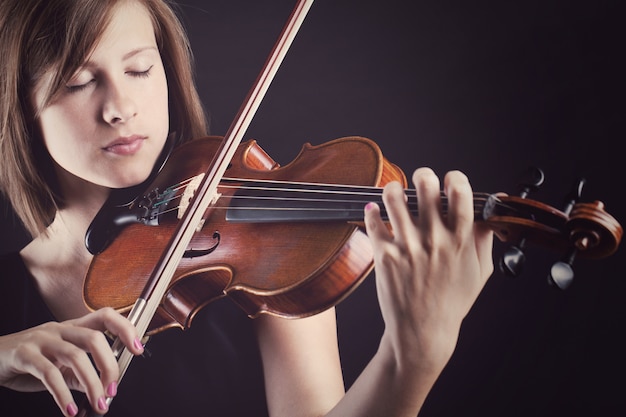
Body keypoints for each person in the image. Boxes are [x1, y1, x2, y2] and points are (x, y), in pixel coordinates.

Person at [0, 0, 494, 416]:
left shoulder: (264, 253)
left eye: (139, 69)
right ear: (21, 105)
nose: (120, 107)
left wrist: (413, 357)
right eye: (79, 81)